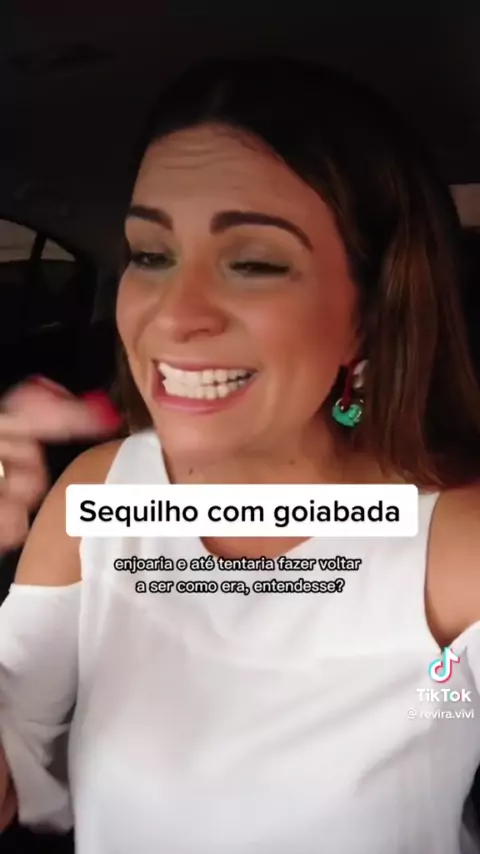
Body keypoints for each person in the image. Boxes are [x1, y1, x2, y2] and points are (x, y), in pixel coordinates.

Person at [0, 56, 480, 854]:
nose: (174, 314)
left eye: (253, 263)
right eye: (151, 254)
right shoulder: (101, 497)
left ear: (370, 311)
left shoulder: (453, 548)